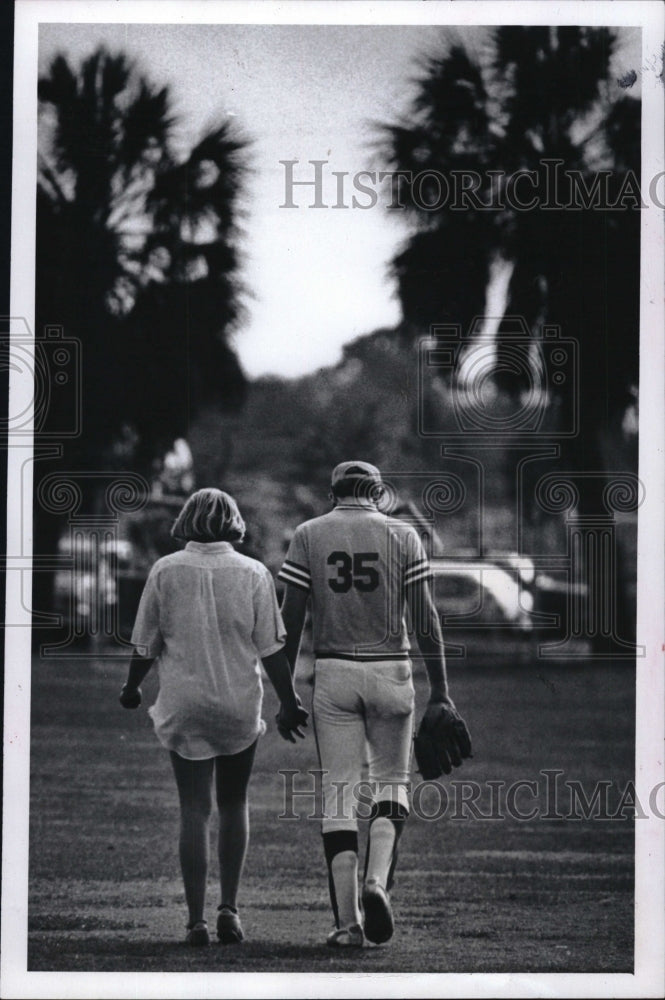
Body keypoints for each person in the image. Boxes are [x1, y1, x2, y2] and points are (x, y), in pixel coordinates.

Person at [278, 461, 469, 947]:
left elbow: (292, 620)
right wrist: (441, 690)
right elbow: (426, 619)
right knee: (392, 784)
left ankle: (347, 925)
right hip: (393, 670)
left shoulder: (308, 533)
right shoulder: (404, 535)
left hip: (335, 671)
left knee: (339, 793)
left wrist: (285, 695)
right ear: (380, 492)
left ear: (332, 491)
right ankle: (377, 881)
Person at [119, 488, 308, 947]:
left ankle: (195, 920)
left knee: (193, 809)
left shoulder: (165, 570)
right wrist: (289, 700)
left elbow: (146, 643)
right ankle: (230, 909)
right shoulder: (253, 573)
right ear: (234, 523)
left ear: (187, 519)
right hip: (238, 703)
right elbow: (273, 649)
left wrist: (131, 686)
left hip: (185, 702)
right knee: (234, 803)